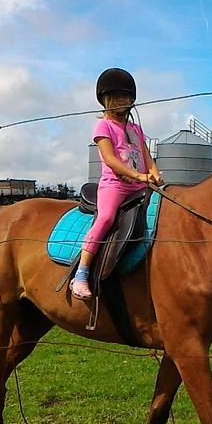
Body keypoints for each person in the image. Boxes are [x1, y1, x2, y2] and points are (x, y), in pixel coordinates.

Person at [70, 68, 163, 300]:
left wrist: (154, 172)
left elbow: (146, 155)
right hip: (115, 186)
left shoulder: (136, 129)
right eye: (117, 96)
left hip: (140, 186)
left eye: (127, 96)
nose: (123, 100)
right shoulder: (103, 126)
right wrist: (139, 176)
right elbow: (110, 159)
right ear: (106, 99)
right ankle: (81, 274)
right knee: (106, 218)